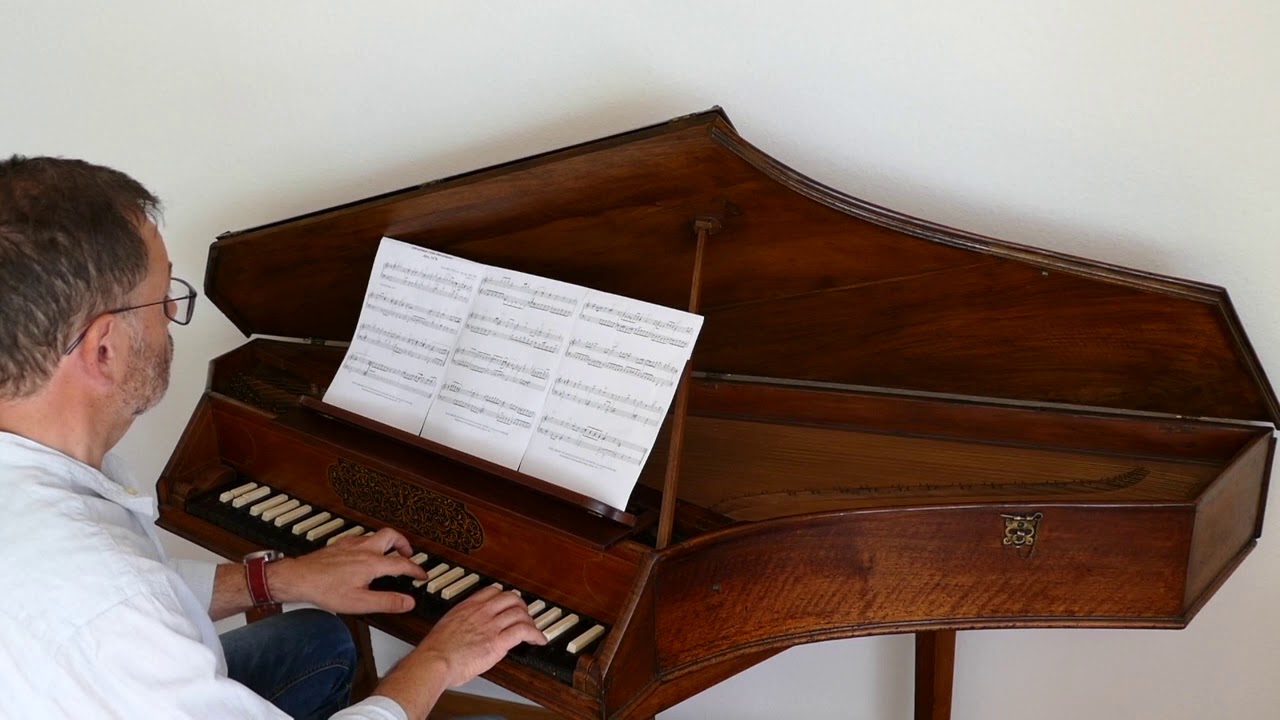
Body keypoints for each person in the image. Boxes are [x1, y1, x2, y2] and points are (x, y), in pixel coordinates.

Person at [0, 156, 546, 720]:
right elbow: (126, 603)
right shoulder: (110, 606)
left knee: (316, 641)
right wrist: (438, 660)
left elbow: (149, 589)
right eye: (163, 298)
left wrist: (275, 579)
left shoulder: (45, 484)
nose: (172, 314)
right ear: (104, 350)